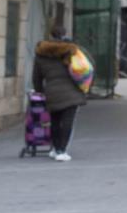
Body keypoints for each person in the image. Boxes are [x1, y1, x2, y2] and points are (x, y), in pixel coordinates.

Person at [32, 25, 87, 163]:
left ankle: (56, 149)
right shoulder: (71, 50)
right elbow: (85, 66)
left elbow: (36, 77)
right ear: (64, 34)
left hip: (52, 92)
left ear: (50, 35)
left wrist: (40, 92)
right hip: (72, 92)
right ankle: (62, 150)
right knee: (67, 122)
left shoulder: (41, 54)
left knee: (55, 122)